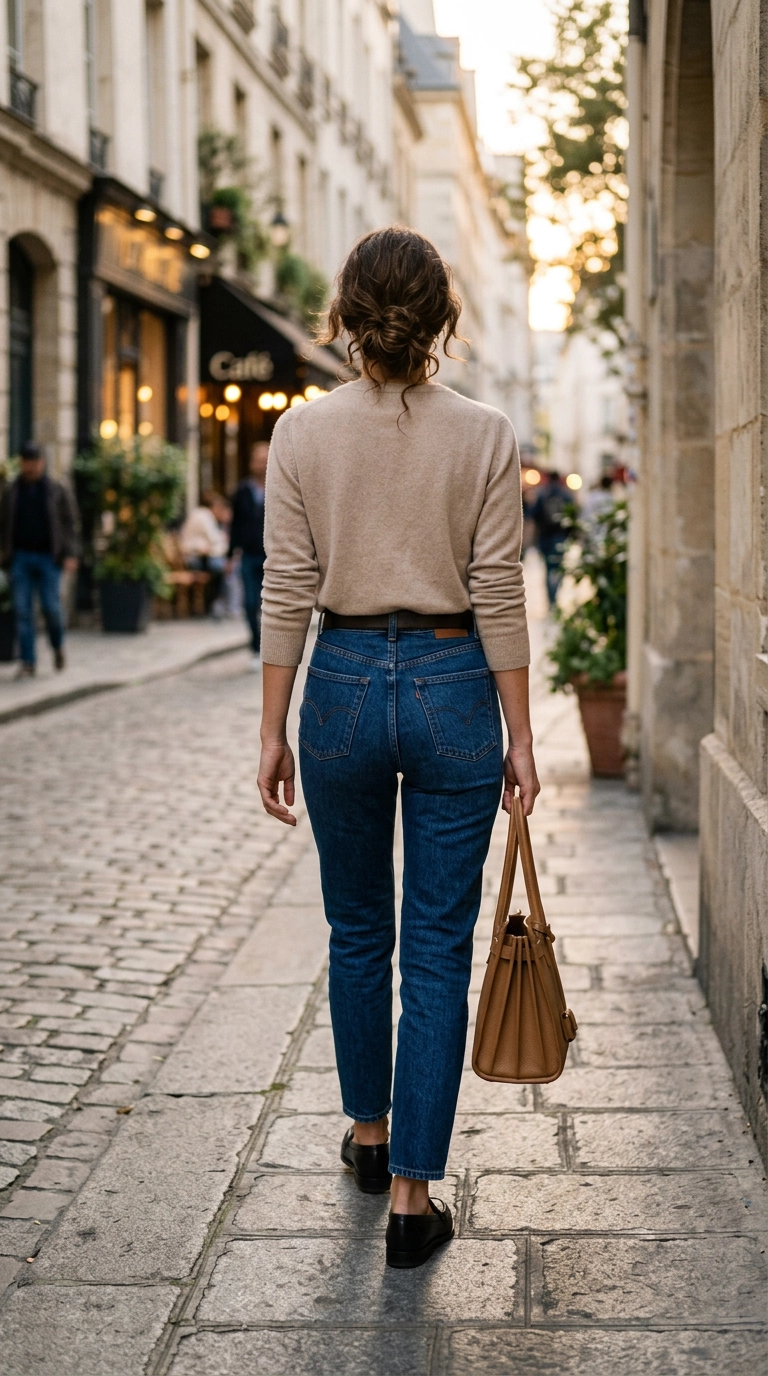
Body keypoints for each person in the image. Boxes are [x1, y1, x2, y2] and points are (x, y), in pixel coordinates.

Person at [257, 227, 540, 1269]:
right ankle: (414, 1201)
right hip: (453, 679)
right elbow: (499, 586)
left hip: (337, 681)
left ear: (343, 315)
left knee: (356, 928)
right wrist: (520, 733)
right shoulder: (485, 433)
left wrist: (271, 729)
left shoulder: (301, 433)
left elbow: (287, 585)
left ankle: (369, 1136)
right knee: (435, 944)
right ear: (442, 320)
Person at [0, 442, 79, 678]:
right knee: (23, 611)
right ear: (22, 463)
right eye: (27, 462)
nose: (31, 467)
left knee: (51, 608)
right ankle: (28, 661)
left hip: (49, 558)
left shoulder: (56, 489)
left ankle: (57, 645)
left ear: (42, 463)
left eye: (35, 462)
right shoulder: (11, 491)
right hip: (20, 557)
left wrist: (71, 553)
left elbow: (70, 523)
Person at [228, 442, 267, 667]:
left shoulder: (280, 488)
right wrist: (229, 555)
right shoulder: (243, 491)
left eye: (265, 460)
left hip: (273, 556)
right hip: (249, 555)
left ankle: (271, 649)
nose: (261, 464)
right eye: (258, 460)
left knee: (272, 606)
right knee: (250, 602)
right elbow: (235, 525)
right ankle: (255, 646)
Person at [180, 491, 229, 612]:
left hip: (190, 556)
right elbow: (215, 539)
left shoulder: (196, 513)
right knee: (220, 566)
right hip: (194, 558)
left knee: (220, 565)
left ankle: (214, 603)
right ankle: (214, 603)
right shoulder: (205, 516)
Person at [532, 469, 570, 607]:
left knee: (548, 569)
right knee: (559, 568)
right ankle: (556, 595)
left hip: (545, 537)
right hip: (560, 536)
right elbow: (572, 515)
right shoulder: (566, 495)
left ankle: (551, 600)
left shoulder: (542, 494)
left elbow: (534, 515)